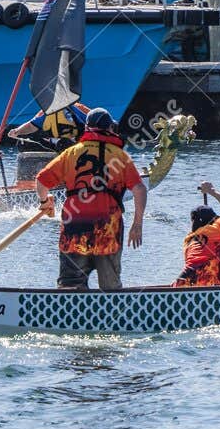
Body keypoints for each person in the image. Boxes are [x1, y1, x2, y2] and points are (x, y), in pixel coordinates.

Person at [34, 108, 148, 291]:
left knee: (70, 286)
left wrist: (44, 202)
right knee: (111, 288)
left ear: (87, 128)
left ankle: (69, 315)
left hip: (74, 228)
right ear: (110, 128)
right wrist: (137, 224)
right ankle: (111, 314)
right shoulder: (120, 157)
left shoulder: (71, 153)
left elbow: (41, 181)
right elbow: (140, 189)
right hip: (108, 229)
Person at [175, 182, 220, 287]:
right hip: (207, 276)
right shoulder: (217, 228)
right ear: (214, 219)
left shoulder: (189, 238)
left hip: (184, 279)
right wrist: (212, 191)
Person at [11, 102, 92, 152]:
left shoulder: (78, 108)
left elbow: (96, 121)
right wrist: (17, 131)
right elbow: (31, 126)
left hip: (78, 145)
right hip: (55, 144)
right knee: (24, 143)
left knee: (65, 144)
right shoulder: (47, 111)